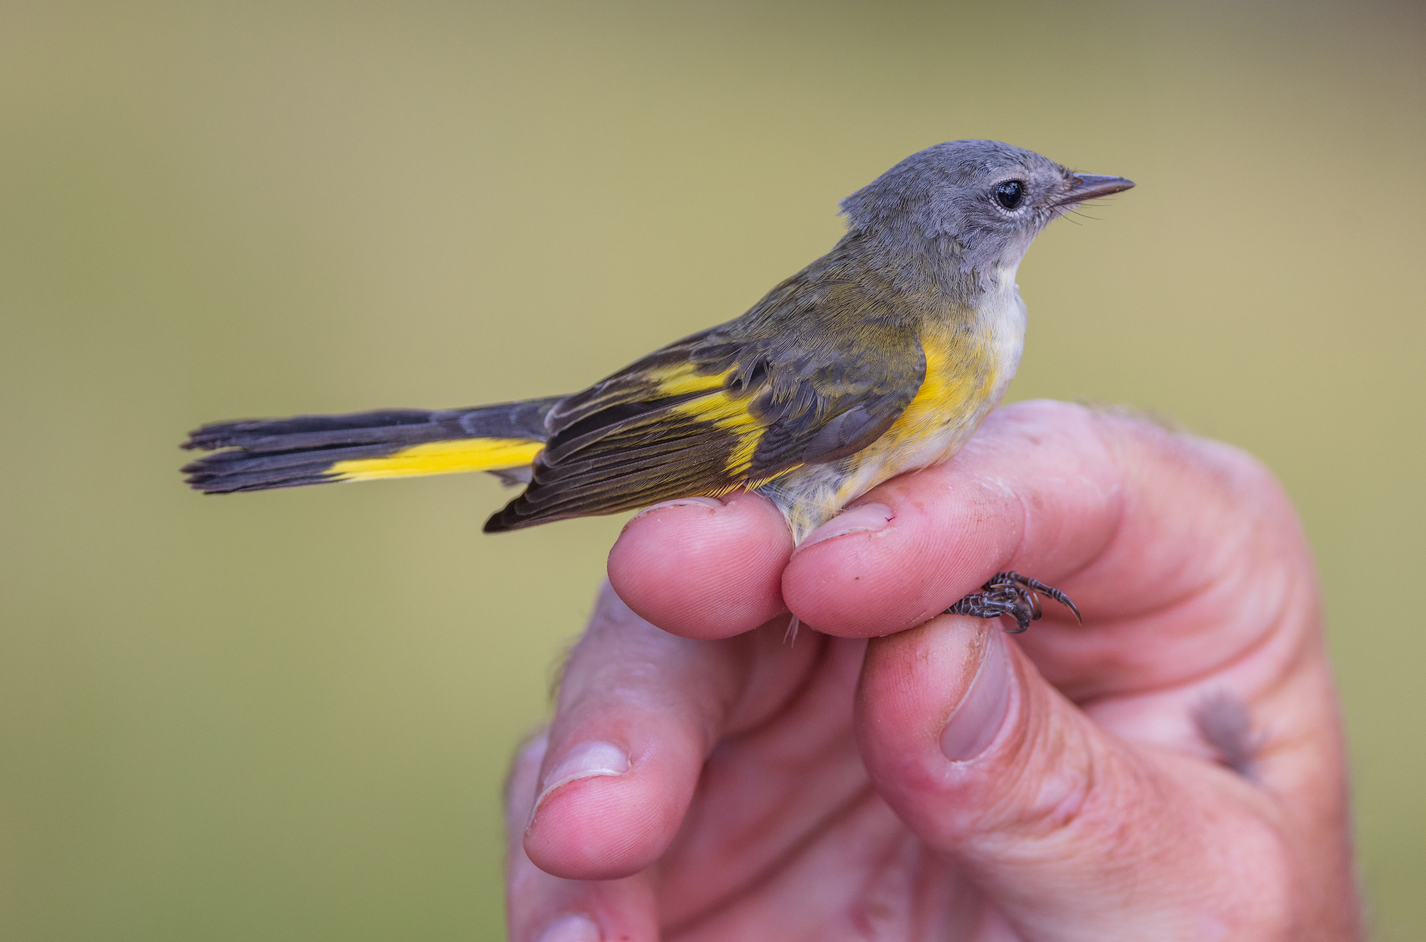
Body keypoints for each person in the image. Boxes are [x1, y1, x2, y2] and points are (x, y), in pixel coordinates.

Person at [501, 401, 1363, 940]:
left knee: (879, 563)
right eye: (1010, 196)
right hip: (707, 459)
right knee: (851, 566)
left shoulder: (943, 344)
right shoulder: (905, 346)